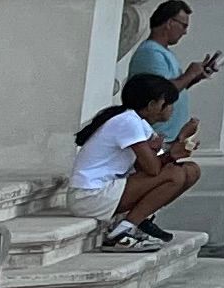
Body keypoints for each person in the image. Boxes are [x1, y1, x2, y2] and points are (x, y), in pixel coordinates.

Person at [66, 71, 198, 250]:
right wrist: (173, 153)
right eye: (167, 104)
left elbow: (150, 163)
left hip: (106, 190)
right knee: (175, 174)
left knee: (190, 170)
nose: (171, 109)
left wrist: (179, 141)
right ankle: (122, 232)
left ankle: (138, 221)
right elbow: (153, 169)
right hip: (88, 197)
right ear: (152, 105)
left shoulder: (138, 122)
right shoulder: (129, 122)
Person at [124, 0, 223, 159]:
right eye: (184, 26)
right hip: (158, 135)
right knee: (175, 175)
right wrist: (189, 74)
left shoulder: (163, 52)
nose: (185, 32)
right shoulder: (151, 53)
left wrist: (195, 78)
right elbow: (159, 93)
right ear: (169, 23)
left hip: (169, 133)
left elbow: (173, 90)